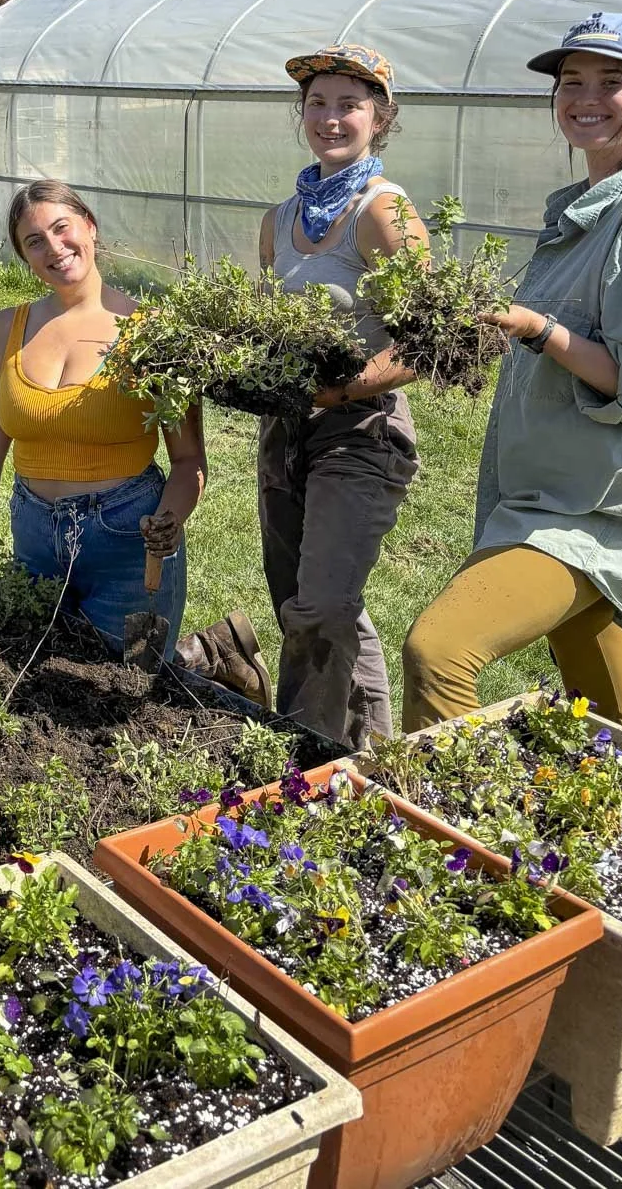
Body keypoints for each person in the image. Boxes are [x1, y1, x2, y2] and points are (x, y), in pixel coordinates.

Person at [402, 12, 622, 732]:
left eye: (612, 81)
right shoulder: (587, 209)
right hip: (553, 489)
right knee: (601, 709)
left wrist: (539, 330)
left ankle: (461, 837)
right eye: (570, 81)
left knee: (438, 653)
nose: (585, 96)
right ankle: (613, 816)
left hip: (590, 510)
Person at [177, 44, 427, 748]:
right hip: (286, 434)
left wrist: (339, 388)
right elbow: (269, 330)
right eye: (316, 102)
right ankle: (368, 754)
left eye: (349, 102)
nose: (330, 117)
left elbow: (427, 342)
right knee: (307, 603)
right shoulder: (278, 219)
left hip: (360, 431)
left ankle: (299, 756)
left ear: (379, 116)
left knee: (321, 606)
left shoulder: (386, 212)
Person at [0, 179, 206, 663]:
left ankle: (212, 660)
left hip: (127, 539)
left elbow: (188, 460)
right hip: (34, 536)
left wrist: (169, 520)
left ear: (90, 227)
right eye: (34, 241)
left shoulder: (156, 332)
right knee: (32, 685)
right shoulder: (6, 329)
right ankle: (213, 657)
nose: (54, 248)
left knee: (128, 689)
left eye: (62, 229)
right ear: (24, 256)